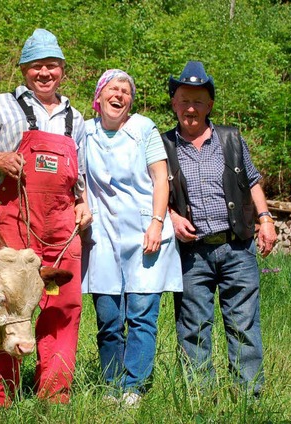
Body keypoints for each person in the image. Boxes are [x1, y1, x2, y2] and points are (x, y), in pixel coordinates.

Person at [0, 28, 92, 406]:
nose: (44, 73)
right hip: (14, 225)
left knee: (64, 308)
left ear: (62, 70)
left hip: (63, 227)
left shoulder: (75, 119)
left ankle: (54, 394)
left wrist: (83, 203)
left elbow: (78, 178)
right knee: (6, 306)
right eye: (35, 67)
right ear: (23, 70)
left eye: (51, 66)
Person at [162, 61, 277, 398]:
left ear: (209, 105)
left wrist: (266, 218)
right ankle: (199, 399)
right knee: (193, 329)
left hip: (237, 248)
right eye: (183, 100)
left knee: (243, 326)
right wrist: (169, 215)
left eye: (198, 100)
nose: (190, 108)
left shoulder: (231, 138)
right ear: (174, 104)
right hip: (191, 253)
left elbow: (252, 181)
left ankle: (248, 401)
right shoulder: (163, 145)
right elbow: (152, 191)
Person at [81, 69, 183, 408]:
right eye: (113, 88)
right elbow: (76, 179)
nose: (120, 95)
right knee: (109, 317)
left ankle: (133, 387)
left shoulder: (143, 128)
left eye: (126, 91)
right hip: (103, 236)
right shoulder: (85, 132)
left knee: (141, 314)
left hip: (144, 232)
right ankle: (111, 384)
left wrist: (157, 222)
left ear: (130, 101)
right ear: (99, 97)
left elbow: (161, 179)